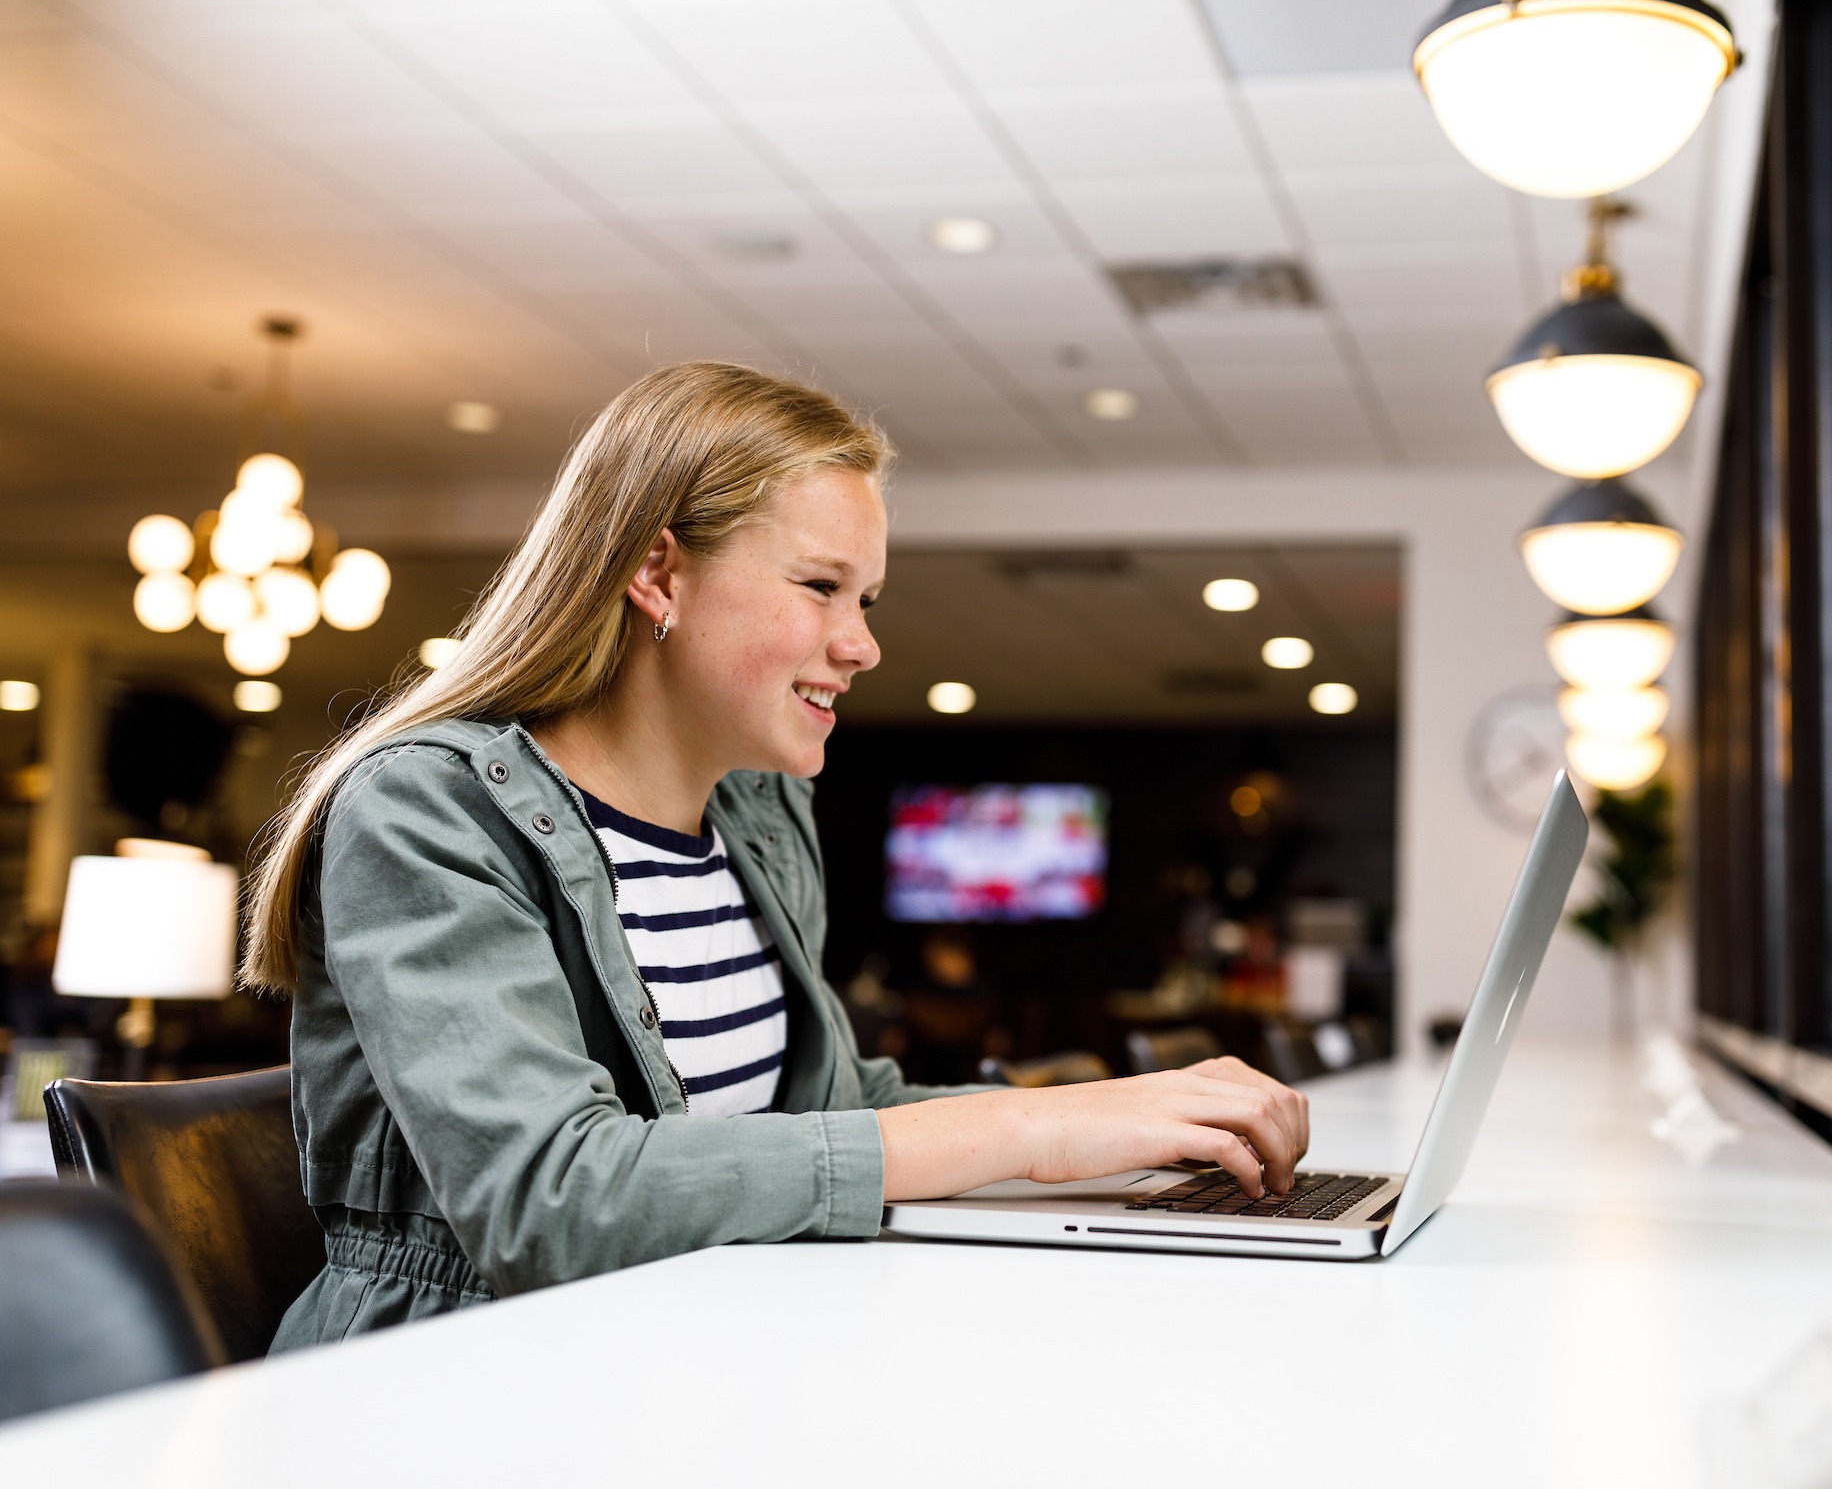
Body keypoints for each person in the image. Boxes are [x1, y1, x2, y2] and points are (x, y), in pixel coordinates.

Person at [244, 362, 1309, 1346]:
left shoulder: (758, 813)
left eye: (868, 599)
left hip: (693, 1346)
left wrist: (1114, 1119)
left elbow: (824, 1116)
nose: (863, 643)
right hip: (459, 1383)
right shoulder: (424, 809)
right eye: (820, 587)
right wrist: (1025, 1126)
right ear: (659, 574)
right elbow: (553, 1199)